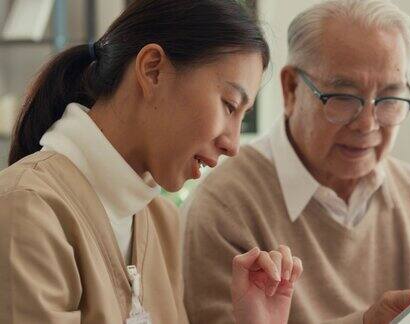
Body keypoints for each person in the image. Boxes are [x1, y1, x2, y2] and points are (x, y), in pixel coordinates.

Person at [183, 0, 410, 323]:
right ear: (291, 89)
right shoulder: (225, 207)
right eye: (343, 97)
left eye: (389, 98)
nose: (367, 124)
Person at [0, 0, 303, 323]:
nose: (233, 145)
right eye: (229, 105)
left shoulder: (161, 221)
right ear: (152, 69)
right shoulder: (27, 210)